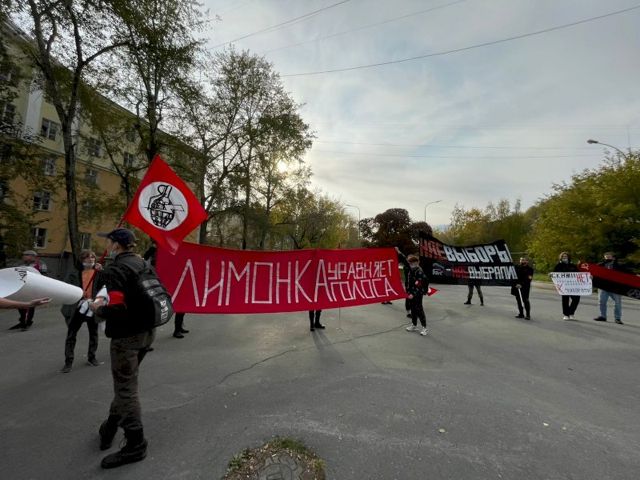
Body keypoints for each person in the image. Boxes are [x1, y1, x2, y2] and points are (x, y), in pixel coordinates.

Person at [89, 228, 154, 469]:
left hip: (126, 337)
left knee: (126, 390)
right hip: (147, 333)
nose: (107, 245)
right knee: (125, 385)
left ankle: (136, 444)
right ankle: (109, 428)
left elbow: (117, 308)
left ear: (116, 244)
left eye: (108, 241)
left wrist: (97, 308)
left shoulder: (116, 269)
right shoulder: (142, 263)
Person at [60, 250, 103, 373]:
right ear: (82, 260)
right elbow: (66, 287)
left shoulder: (98, 273)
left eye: (93, 257)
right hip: (77, 307)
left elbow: (106, 285)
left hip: (92, 306)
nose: (91, 259)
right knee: (71, 334)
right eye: (87, 257)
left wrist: (102, 271)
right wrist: (77, 292)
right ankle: (68, 362)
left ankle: (92, 357)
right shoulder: (74, 273)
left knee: (93, 333)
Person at [10, 250, 48, 330]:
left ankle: (27, 322)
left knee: (30, 305)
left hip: (33, 288)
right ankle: (22, 321)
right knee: (20, 305)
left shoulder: (41, 265)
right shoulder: (21, 265)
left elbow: (44, 278)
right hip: (22, 288)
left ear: (32, 256)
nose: (23, 257)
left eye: (25, 255)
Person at [396, 248, 429, 336]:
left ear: (416, 263)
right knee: (413, 310)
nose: (410, 265)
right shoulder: (411, 269)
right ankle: (414, 325)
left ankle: (424, 328)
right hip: (410, 293)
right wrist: (399, 252)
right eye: (410, 264)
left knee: (419, 310)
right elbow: (405, 261)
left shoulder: (419, 272)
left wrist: (413, 294)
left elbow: (420, 285)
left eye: (412, 264)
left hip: (417, 294)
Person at [593, 252, 625, 325]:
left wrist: (636, 276)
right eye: (606, 257)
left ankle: (617, 318)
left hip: (615, 287)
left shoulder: (619, 265)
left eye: (609, 257)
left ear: (613, 257)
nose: (607, 258)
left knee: (617, 303)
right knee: (602, 302)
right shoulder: (600, 265)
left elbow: (627, 272)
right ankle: (603, 316)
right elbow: (593, 270)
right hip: (603, 287)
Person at [552, 251, 581, 320]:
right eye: (563, 257)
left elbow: (579, 274)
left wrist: (588, 276)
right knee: (565, 300)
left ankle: (571, 313)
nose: (564, 258)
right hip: (563, 286)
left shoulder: (573, 265)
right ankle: (566, 314)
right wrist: (551, 275)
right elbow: (554, 274)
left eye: (566, 256)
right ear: (561, 258)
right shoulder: (558, 265)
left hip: (573, 285)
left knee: (576, 299)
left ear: (568, 257)